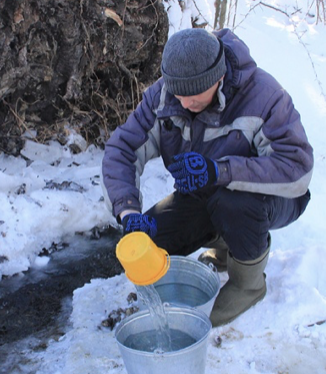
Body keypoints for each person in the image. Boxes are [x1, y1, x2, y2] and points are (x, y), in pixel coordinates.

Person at [102, 28, 313, 327]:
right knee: (151, 240)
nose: (185, 104)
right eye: (179, 94)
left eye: (194, 95)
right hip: (203, 195)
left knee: (232, 202)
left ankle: (249, 284)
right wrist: (128, 211)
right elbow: (121, 149)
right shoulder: (163, 96)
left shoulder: (264, 96)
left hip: (271, 197)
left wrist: (220, 171)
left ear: (219, 78)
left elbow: (297, 169)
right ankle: (224, 246)